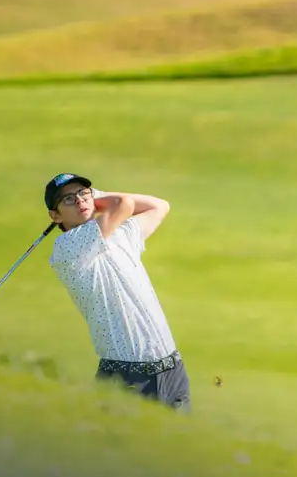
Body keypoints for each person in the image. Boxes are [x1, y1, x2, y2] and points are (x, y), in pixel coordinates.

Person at [43, 172, 190, 413]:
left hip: (172, 371)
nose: (79, 200)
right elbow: (124, 204)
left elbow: (160, 206)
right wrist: (95, 200)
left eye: (83, 193)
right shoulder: (67, 248)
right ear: (55, 216)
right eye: (68, 199)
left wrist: (94, 198)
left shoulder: (122, 234)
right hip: (127, 376)